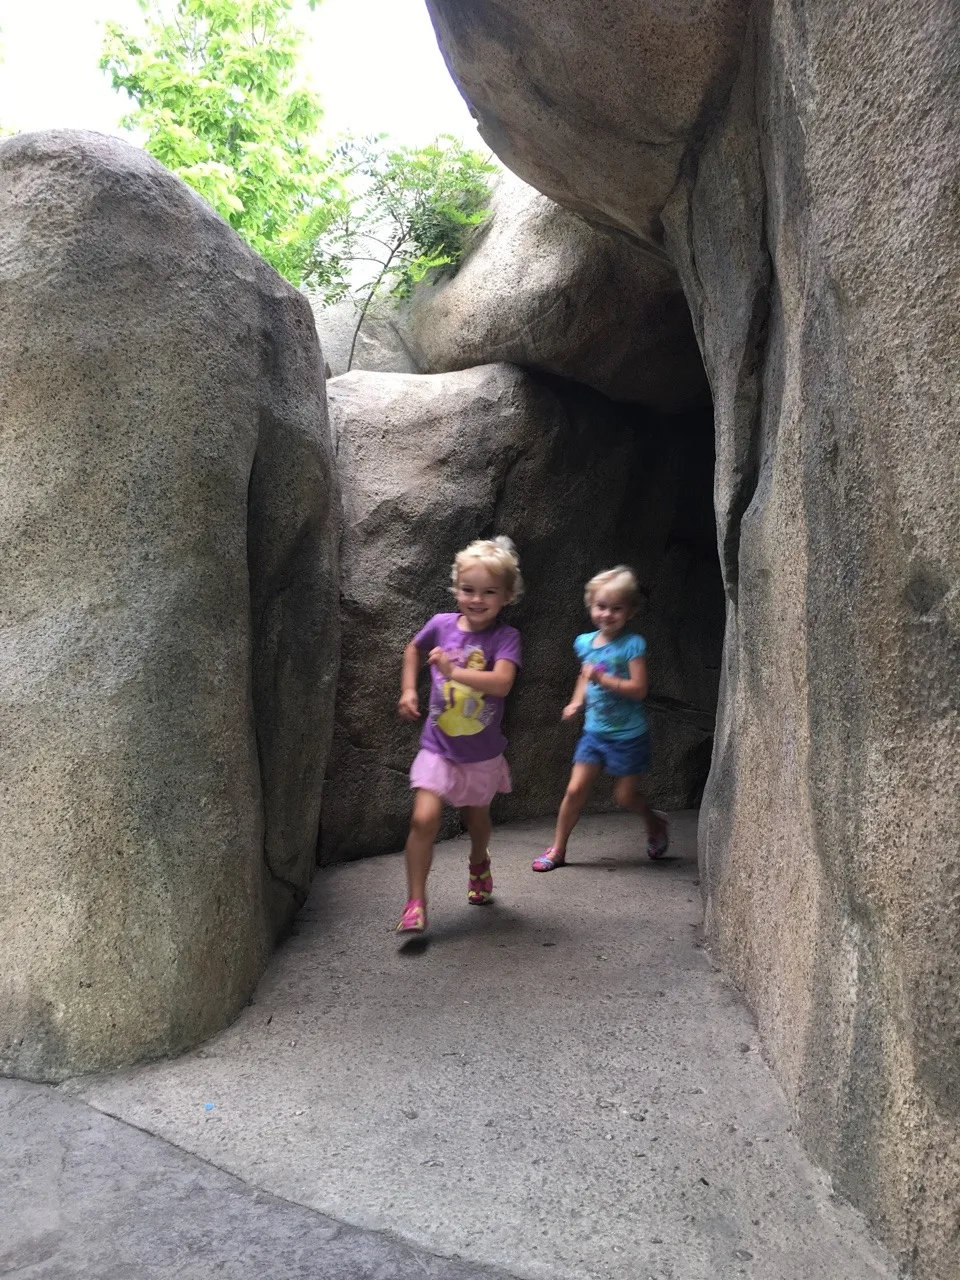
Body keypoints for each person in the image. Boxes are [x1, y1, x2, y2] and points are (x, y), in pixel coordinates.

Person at [396, 537, 523, 934]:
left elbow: (501, 683)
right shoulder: (440, 624)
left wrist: (453, 673)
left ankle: (479, 860)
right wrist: (409, 689)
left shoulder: (505, 637)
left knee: (476, 819)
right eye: (468, 589)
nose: (477, 599)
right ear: (456, 589)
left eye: (489, 592)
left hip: (481, 754)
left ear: (506, 596)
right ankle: (416, 901)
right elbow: (412, 650)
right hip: (439, 747)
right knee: (423, 819)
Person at [532, 566, 668, 872]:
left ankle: (654, 821)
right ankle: (558, 849)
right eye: (601, 606)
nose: (607, 614)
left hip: (629, 736)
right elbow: (584, 676)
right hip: (594, 733)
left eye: (616, 608)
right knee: (574, 790)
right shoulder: (585, 643)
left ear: (631, 611)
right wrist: (575, 702)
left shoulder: (632, 645)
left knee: (625, 797)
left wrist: (604, 680)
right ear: (591, 605)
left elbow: (639, 689)